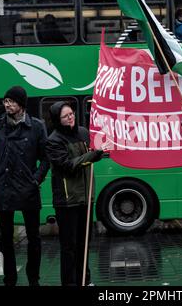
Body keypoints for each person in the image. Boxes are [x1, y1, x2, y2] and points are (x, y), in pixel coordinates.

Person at [0, 86, 50, 286]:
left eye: (11, 101)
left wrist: (36, 180)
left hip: (28, 188)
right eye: (5, 101)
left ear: (21, 104)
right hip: (4, 187)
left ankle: (33, 278)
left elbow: (46, 159)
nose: (7, 105)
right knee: (5, 238)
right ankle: (9, 278)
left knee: (34, 237)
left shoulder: (37, 126)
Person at [45, 101, 109, 286]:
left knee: (84, 244)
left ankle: (85, 280)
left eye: (71, 113)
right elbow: (68, 166)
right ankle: (70, 282)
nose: (70, 117)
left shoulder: (83, 132)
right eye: (66, 116)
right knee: (69, 247)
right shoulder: (53, 140)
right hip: (67, 201)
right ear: (58, 119)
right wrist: (92, 156)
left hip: (86, 197)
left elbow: (91, 152)